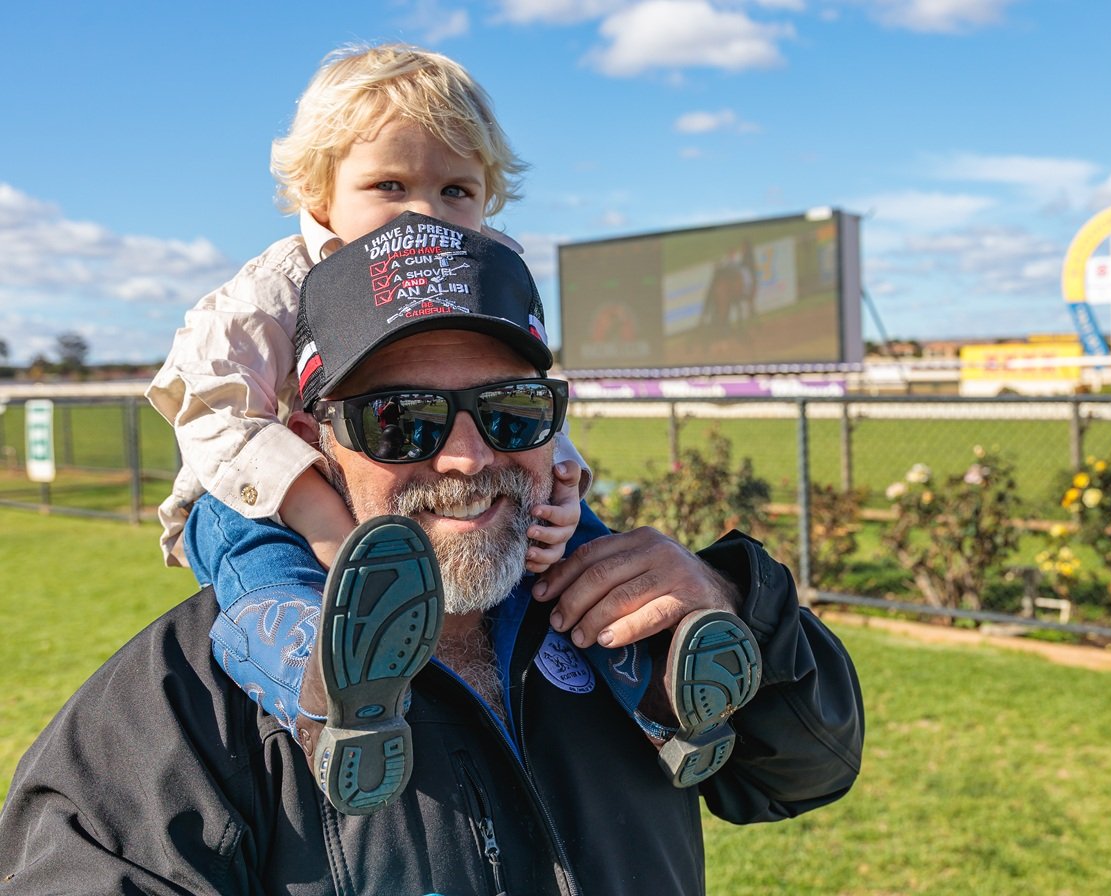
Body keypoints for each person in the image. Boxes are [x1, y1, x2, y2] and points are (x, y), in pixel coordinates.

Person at [0, 216, 864, 894]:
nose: (467, 457)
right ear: (311, 441)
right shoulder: (186, 701)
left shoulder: (629, 619)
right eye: (401, 420)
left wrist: (729, 597)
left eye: (512, 410)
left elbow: (806, 771)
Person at [144, 43, 697, 814]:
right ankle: (322, 686)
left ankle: (666, 684)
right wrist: (324, 523)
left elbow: (516, 393)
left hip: (415, 494)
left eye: (456, 189)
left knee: (571, 543)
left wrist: (564, 480)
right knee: (249, 548)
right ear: (319, 192)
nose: (427, 213)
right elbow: (212, 413)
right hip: (269, 492)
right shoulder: (269, 292)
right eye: (390, 186)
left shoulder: (484, 266)